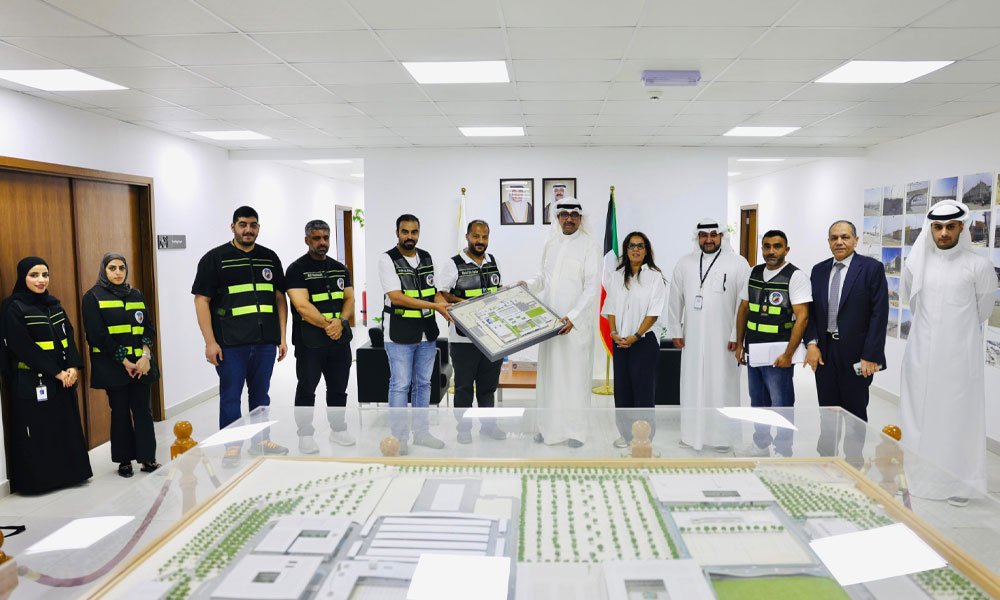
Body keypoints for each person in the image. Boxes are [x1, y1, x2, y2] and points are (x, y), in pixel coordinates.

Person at [900, 200, 998, 507]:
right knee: (919, 416)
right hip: (920, 354)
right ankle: (918, 478)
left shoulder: (978, 266)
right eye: (938, 227)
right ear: (930, 229)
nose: (944, 233)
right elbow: (911, 301)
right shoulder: (916, 264)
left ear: (961, 228)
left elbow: (983, 309)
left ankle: (959, 485)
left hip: (960, 358)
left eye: (950, 227)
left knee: (958, 419)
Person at [192, 206, 289, 465]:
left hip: (264, 341)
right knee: (230, 396)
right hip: (230, 343)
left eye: (253, 225)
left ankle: (261, 441)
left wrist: (282, 336)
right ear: (233, 227)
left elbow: (280, 298)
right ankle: (232, 447)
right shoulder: (215, 258)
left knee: (261, 396)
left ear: (258, 228)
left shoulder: (269, 257)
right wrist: (210, 342)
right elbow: (201, 301)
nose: (248, 229)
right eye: (243, 224)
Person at [0, 257, 92, 493]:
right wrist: (57, 372)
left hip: (63, 380)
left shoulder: (54, 305)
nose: (41, 280)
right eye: (34, 275)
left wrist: (73, 367)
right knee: (41, 432)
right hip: (33, 381)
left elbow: (68, 336)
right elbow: (23, 347)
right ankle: (43, 482)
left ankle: (70, 476)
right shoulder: (14, 307)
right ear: (23, 277)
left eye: (45, 275)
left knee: (65, 427)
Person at [804, 220, 888, 468]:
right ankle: (827, 459)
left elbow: (879, 314)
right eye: (834, 238)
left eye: (845, 237)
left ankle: (853, 462)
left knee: (854, 412)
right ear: (829, 242)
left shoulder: (871, 269)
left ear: (856, 240)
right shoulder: (819, 270)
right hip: (825, 352)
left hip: (857, 354)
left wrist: (871, 355)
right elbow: (811, 313)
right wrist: (811, 344)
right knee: (827, 409)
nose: (839, 242)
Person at [667, 218, 751, 452]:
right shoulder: (685, 263)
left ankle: (723, 438)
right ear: (697, 238)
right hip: (692, 337)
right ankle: (691, 435)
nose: (709, 239)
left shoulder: (738, 263)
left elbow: (743, 303)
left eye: (713, 235)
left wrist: (736, 335)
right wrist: (676, 329)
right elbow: (675, 298)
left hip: (724, 339)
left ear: (721, 236)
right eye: (704, 235)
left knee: (723, 386)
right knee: (692, 385)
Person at [526, 200, 601, 447]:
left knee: (574, 379)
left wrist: (574, 316)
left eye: (574, 215)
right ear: (557, 217)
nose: (569, 219)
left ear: (580, 218)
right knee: (549, 377)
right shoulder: (551, 243)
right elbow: (543, 278)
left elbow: (591, 288)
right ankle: (546, 427)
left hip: (574, 328)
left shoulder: (589, 245)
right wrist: (526, 285)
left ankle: (575, 432)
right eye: (564, 214)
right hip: (550, 324)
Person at [82, 253, 161, 478]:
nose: (118, 272)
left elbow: (148, 328)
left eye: (121, 268)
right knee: (120, 412)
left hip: (141, 366)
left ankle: (147, 458)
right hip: (114, 367)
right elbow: (97, 336)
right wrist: (125, 361)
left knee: (143, 411)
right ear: (104, 270)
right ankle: (124, 461)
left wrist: (145, 356)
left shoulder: (136, 294)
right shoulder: (92, 297)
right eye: (112, 268)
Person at [379, 213, 452, 454]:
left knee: (423, 384)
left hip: (426, 333)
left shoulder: (426, 257)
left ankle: (421, 434)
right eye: (405, 232)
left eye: (414, 232)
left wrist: (444, 307)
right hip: (399, 333)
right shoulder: (387, 259)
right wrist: (435, 306)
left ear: (419, 233)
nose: (409, 237)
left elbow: (434, 293)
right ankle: (399, 438)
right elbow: (396, 297)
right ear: (397, 233)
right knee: (400, 385)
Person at [735, 230, 811, 457]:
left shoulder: (795, 276)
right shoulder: (754, 272)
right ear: (762, 249)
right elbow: (744, 309)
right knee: (758, 401)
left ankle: (783, 450)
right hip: (754, 351)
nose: (771, 251)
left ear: (786, 249)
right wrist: (739, 344)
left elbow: (802, 317)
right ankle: (760, 445)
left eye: (777, 246)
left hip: (779, 353)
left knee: (781, 403)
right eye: (766, 246)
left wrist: (788, 354)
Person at [285, 220, 356, 454]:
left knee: (338, 388)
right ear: (307, 240)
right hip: (310, 343)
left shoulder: (339, 268)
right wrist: (329, 325)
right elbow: (302, 305)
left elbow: (349, 299)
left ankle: (338, 429)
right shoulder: (296, 269)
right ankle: (305, 434)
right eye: (317, 238)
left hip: (339, 341)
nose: (322, 242)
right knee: (307, 389)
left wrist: (341, 322)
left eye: (325, 237)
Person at [438, 220, 509, 444]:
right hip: (464, 339)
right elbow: (442, 294)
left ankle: (488, 426)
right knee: (464, 388)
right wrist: (468, 304)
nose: (480, 241)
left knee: (488, 387)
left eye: (484, 237)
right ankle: (464, 429)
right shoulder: (453, 264)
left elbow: (497, 291)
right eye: (476, 236)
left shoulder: (493, 261)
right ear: (467, 237)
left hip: (491, 337)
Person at [604, 231, 667, 448]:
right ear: (626, 250)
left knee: (643, 390)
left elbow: (654, 312)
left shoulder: (655, 277)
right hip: (620, 341)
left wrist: (636, 335)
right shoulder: (616, 276)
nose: (636, 250)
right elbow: (611, 307)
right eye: (632, 246)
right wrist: (613, 332)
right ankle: (626, 434)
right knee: (622, 390)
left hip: (644, 341)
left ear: (646, 250)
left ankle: (644, 436)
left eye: (640, 246)